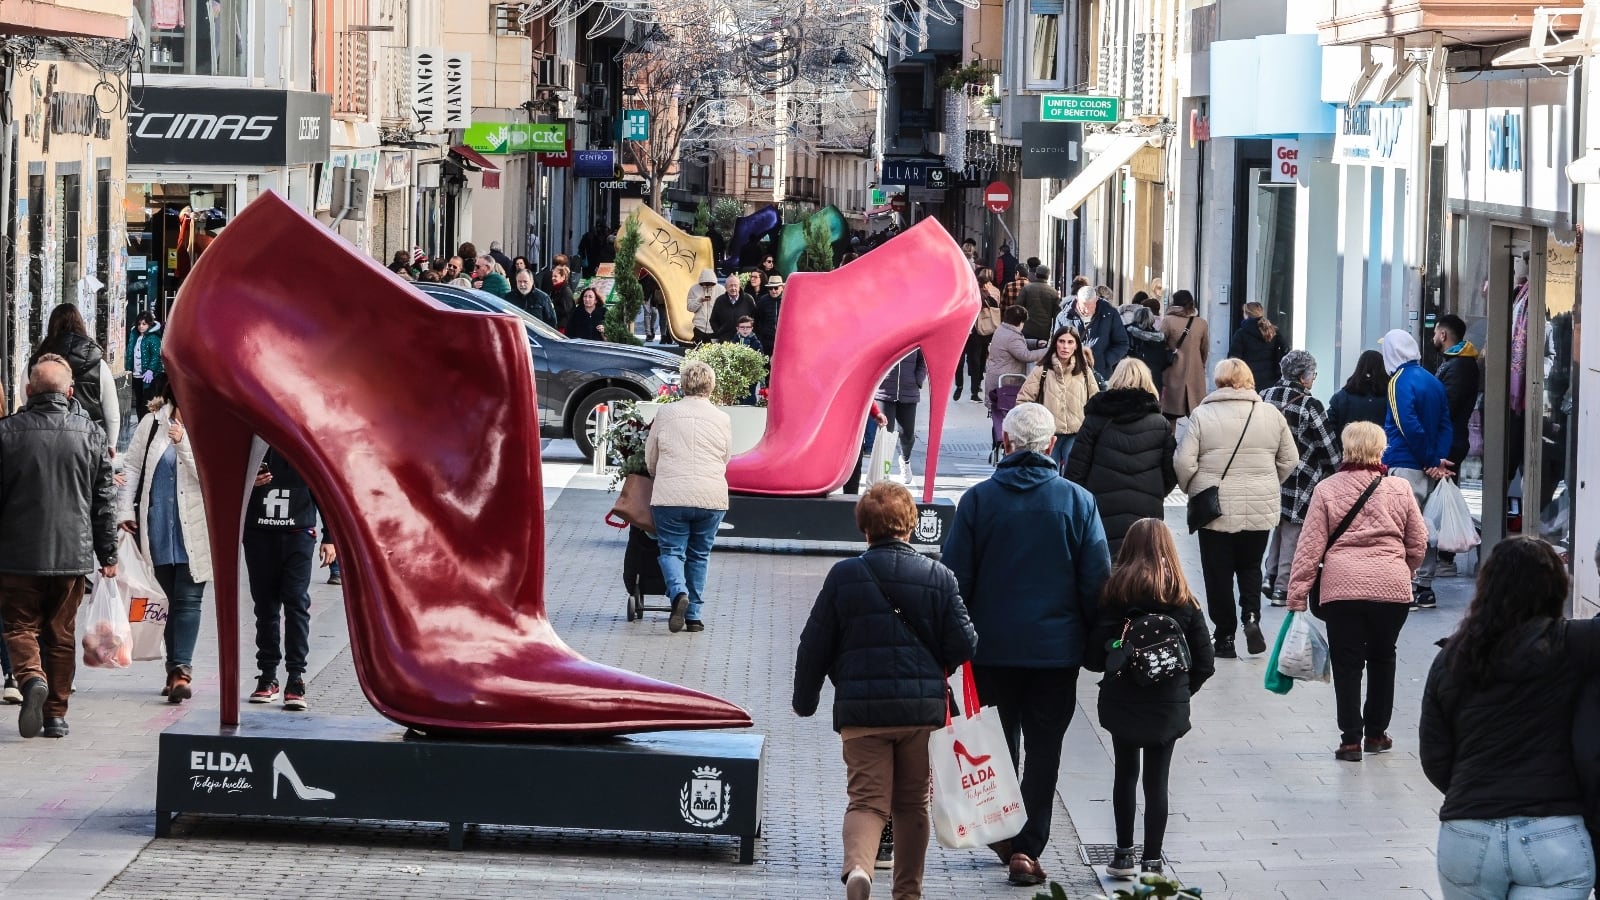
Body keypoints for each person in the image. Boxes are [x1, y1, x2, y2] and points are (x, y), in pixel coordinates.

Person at [941, 402, 1113, 887]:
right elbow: (1096, 582)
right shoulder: (1078, 501)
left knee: (998, 745)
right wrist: (1090, 643)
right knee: (1045, 750)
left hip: (992, 648)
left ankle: (1004, 832)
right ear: (1052, 446)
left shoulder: (977, 501)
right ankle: (1027, 847)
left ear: (1007, 443)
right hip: (1055, 653)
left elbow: (956, 581)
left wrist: (954, 647)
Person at [794, 482, 978, 900]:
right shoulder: (939, 576)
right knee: (913, 804)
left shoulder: (844, 576)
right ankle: (907, 892)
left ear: (865, 529)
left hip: (862, 714)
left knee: (867, 802)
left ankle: (859, 871)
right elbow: (965, 645)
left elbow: (814, 644)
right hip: (920, 714)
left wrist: (805, 701)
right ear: (910, 526)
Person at [1421, 537, 1600, 898]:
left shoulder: (1450, 658)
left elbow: (1435, 758)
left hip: (1466, 833)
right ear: (1556, 587)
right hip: (1553, 830)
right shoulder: (1576, 643)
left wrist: (1478, 791)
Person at [1285, 421, 1426, 761]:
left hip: (1342, 589)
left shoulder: (1327, 489)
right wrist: (1401, 571)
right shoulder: (1400, 489)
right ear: (1380, 450)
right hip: (1391, 590)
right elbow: (1418, 542)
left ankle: (1350, 740)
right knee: (1383, 657)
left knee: (1347, 663)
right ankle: (1376, 734)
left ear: (1347, 449)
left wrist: (1297, 595)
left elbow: (1310, 547)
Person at [1082, 518, 1214, 880]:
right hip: (1166, 706)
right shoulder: (1184, 600)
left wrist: (1116, 651)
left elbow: (1094, 658)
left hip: (1122, 700)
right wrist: (1180, 694)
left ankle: (1123, 855)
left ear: (1126, 550)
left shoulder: (1114, 596)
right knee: (1158, 782)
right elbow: (1205, 662)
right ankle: (1152, 861)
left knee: (1125, 774)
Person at [0, 355, 117, 739]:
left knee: (20, 626)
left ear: (29, 391)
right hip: (72, 557)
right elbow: (103, 500)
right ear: (69, 392)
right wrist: (109, 555)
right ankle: (55, 716)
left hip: (17, 556)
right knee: (61, 637)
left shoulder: (7, 433)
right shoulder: (92, 435)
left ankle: (31, 677)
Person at [1174, 358, 1297, 659]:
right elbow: (1290, 459)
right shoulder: (1270, 413)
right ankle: (1251, 617)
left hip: (1215, 509)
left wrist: (1194, 488)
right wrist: (1268, 481)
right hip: (1260, 504)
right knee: (1250, 567)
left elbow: (1183, 461)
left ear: (1218, 381)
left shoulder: (1202, 414)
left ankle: (1225, 636)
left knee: (1218, 573)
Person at [118, 379, 213, 703]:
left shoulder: (209, 423)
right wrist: (124, 509)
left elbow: (213, 476)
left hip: (194, 529)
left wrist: (184, 443)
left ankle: (181, 670)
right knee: (167, 601)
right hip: (157, 526)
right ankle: (174, 670)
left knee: (188, 600)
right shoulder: (153, 422)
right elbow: (132, 467)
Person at [244, 448, 336, 710]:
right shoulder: (252, 443)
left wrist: (330, 537)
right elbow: (225, 486)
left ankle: (296, 677)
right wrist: (248, 483)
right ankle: (268, 676)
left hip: (298, 533)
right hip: (259, 534)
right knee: (265, 606)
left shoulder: (304, 443)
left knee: (296, 602)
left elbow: (325, 490)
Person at [646, 360, 731, 634]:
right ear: (711, 385)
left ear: (683, 385)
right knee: (700, 555)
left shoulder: (666, 413)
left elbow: (651, 456)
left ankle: (678, 593)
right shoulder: (722, 417)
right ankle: (694, 616)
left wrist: (657, 474)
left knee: (671, 550)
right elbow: (725, 457)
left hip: (671, 495)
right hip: (711, 496)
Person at [1066, 358, 1177, 557]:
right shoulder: (1160, 423)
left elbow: (1075, 471)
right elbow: (1171, 473)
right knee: (1143, 568)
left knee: (1105, 568)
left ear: (1115, 379)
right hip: (1147, 511)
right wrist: (1153, 491)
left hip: (1101, 509)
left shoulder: (1095, 419)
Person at [1260, 350, 1340, 606]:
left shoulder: (1264, 396)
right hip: (1300, 476)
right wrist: (1336, 470)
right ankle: (1282, 587)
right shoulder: (1309, 405)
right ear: (1304, 377)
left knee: (1279, 524)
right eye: (1313, 375)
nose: (1314, 379)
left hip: (1269, 473)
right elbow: (1327, 445)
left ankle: (1269, 576)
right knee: (1294, 529)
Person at [1380, 328, 1453, 609]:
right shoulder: (1433, 381)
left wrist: (1428, 459)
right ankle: (1425, 586)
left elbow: (1406, 424)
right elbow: (1446, 424)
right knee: (1427, 526)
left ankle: (1406, 585)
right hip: (1432, 466)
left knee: (1401, 527)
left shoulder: (1397, 381)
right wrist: (1438, 459)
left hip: (1405, 464)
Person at [32, 303, 119, 446]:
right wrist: (111, 445)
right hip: (90, 443)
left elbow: (25, 396)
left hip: (42, 441)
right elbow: (112, 413)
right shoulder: (99, 365)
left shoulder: (36, 362)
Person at [1017, 326, 1099, 470]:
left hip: (1076, 433)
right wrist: (1034, 425)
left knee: (1073, 475)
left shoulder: (1085, 371)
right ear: (1055, 343)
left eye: (1070, 342)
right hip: (1047, 434)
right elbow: (1023, 401)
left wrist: (1091, 428)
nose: (1065, 346)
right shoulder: (1041, 370)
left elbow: (1096, 402)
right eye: (1061, 341)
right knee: (1048, 475)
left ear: (1076, 345)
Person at [1433, 314, 1481, 476]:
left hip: (1449, 442)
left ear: (1443, 335)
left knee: (1443, 496)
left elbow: (1447, 406)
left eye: (1435, 333)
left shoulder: (1459, 365)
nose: (1433, 338)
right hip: (1450, 439)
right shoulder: (1456, 361)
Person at [1056, 285, 1130, 381]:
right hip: (1071, 375)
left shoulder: (1110, 314)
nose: (1087, 310)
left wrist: (1105, 360)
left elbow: (1122, 343)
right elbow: (1056, 346)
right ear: (1077, 300)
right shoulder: (1063, 317)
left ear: (1097, 300)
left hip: (1100, 374)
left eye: (1091, 306)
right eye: (1084, 306)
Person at [875, 351, 926, 482]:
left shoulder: (915, 335)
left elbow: (923, 360)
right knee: (886, 434)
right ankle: (884, 472)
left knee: (907, 435)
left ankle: (905, 460)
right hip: (885, 392)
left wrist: (917, 380)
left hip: (908, 391)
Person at [984, 306, 1048, 408]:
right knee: (1005, 413)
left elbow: (1016, 345)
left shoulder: (1003, 329)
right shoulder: (1013, 336)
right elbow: (1025, 356)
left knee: (998, 415)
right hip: (1006, 382)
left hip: (996, 376)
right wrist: (1047, 351)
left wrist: (1036, 343)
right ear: (1020, 322)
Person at [955, 267, 1002, 402]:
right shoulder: (979, 296)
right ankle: (973, 391)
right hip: (976, 334)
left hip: (968, 333)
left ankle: (960, 385)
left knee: (962, 360)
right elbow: (995, 308)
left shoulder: (967, 294)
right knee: (975, 362)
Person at [1159, 291, 1208, 421]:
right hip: (1195, 372)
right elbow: (1204, 349)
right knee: (1197, 415)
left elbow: (1159, 345)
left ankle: (1171, 440)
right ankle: (1196, 440)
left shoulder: (1168, 321)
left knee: (1169, 416)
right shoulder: (1201, 323)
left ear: (1174, 303)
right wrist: (1201, 365)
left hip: (1173, 372)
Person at [1326, 349, 1390, 441]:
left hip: (1349, 451)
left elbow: (1329, 428)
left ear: (1359, 368)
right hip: (1380, 452)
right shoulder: (1390, 398)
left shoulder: (1342, 397)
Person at [1228, 301, 1288, 392]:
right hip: (1271, 380)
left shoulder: (1241, 333)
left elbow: (1234, 360)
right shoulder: (1273, 331)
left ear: (1246, 314)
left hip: (1248, 380)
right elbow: (1286, 351)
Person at [1120, 292, 1168, 392]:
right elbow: (1163, 361)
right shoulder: (1160, 338)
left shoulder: (1126, 332)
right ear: (1152, 320)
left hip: (1132, 376)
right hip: (1153, 378)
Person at [128, 311, 164, 415]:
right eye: (139, 324)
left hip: (148, 376)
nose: (141, 326)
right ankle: (140, 426)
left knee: (147, 404)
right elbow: (130, 354)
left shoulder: (153, 338)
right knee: (139, 402)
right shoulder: (134, 337)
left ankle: (147, 426)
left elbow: (156, 355)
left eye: (144, 324)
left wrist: (150, 370)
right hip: (136, 375)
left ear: (149, 324)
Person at [711, 274, 757, 343]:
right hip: (725, 341)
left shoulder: (748, 299)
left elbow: (755, 318)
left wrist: (749, 333)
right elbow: (713, 320)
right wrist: (719, 333)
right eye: (730, 285)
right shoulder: (720, 300)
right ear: (726, 287)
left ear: (739, 287)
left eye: (735, 285)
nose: (733, 288)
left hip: (745, 340)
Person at [1018, 266, 1061, 341]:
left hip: (1027, 329)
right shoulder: (1053, 292)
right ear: (1047, 276)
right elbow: (1057, 315)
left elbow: (1018, 308)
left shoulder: (1026, 289)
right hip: (1044, 332)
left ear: (1036, 274)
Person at [686, 269, 724, 345]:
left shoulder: (721, 289)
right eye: (704, 284)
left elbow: (725, 309)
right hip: (699, 328)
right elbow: (689, 307)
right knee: (697, 352)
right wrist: (699, 301)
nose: (706, 286)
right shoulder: (694, 289)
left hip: (715, 329)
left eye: (709, 284)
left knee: (715, 354)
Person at [755, 275, 783, 357]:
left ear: (782, 288)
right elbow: (757, 319)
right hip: (766, 341)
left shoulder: (788, 299)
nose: (773, 291)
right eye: (771, 288)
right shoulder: (763, 301)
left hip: (783, 340)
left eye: (776, 288)